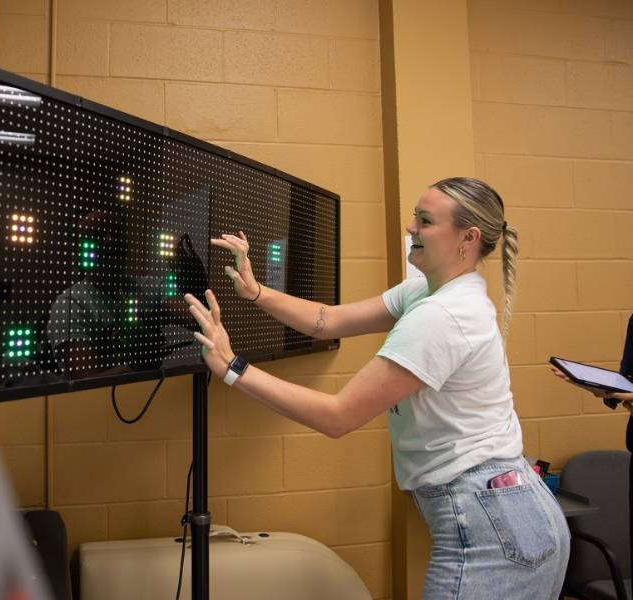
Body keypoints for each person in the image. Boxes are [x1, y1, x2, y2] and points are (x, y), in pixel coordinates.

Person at [184, 177, 570, 599]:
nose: (410, 228)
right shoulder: (429, 290)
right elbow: (327, 321)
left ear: (468, 238)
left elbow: (338, 416)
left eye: (424, 221)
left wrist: (232, 367)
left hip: (490, 523)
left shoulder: (444, 316)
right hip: (510, 509)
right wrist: (256, 292)